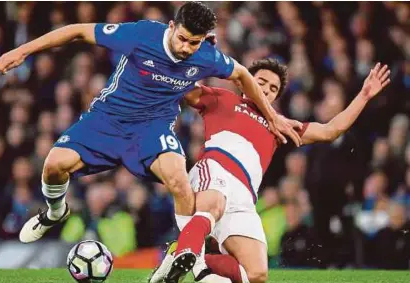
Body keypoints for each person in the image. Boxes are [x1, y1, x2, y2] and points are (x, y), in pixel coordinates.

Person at [0, 2, 302, 243]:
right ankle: (54, 212)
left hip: (152, 128)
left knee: (180, 183)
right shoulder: (142, 35)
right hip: (108, 119)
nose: (185, 48)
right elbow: (77, 30)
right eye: (182, 38)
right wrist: (23, 51)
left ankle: (186, 257)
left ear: (203, 40)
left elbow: (242, 75)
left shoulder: (207, 56)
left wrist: (272, 116)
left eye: (193, 43)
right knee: (53, 166)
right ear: (171, 27)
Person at [150, 60, 391, 283]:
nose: (266, 90)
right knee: (213, 203)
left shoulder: (280, 124)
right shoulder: (222, 99)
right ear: (244, 82)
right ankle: (196, 260)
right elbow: (183, 87)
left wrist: (364, 95)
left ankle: (181, 255)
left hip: (244, 197)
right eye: (261, 82)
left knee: (256, 274)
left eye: (273, 88)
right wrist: (202, 57)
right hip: (215, 170)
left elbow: (330, 130)